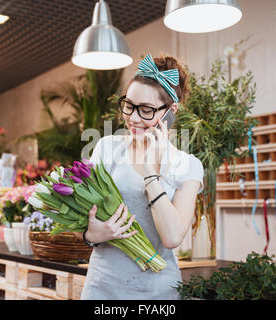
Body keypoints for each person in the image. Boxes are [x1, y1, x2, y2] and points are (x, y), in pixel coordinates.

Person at [80, 53, 204, 300]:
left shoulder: (187, 166)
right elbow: (83, 216)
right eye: (128, 105)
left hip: (156, 292)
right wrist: (90, 235)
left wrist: (150, 172)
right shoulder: (106, 148)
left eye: (146, 110)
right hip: (101, 287)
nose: (133, 118)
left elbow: (171, 237)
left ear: (170, 112)